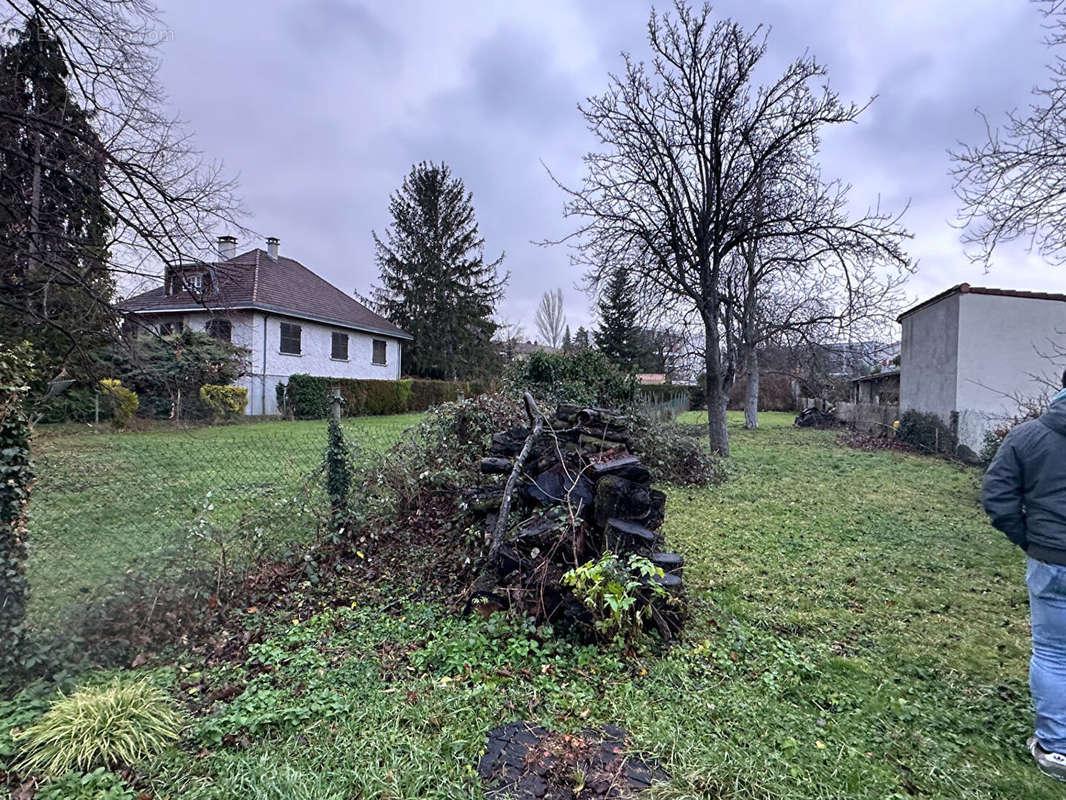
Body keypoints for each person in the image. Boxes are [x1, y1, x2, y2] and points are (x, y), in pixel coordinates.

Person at [983, 370, 1066, 782]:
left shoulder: (1027, 437)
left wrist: (1030, 539)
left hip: (1052, 559)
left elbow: (997, 497)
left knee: (1053, 652)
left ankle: (1056, 748)